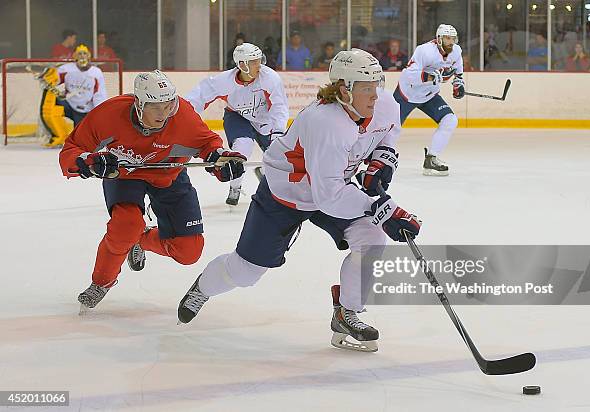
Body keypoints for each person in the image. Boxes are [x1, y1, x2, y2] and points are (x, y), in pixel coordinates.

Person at [177, 49, 421, 353]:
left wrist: (383, 158)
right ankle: (203, 287)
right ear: (344, 89)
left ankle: (347, 312)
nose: (375, 95)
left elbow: (387, 135)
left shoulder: (383, 104)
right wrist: (380, 208)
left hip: (332, 187)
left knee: (371, 238)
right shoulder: (326, 122)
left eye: (378, 85)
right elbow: (329, 197)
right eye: (366, 88)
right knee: (245, 272)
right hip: (285, 196)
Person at [58, 70, 246, 311]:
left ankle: (141, 240)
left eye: (169, 105)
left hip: (169, 175)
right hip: (125, 176)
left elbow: (208, 145)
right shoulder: (109, 113)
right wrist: (88, 161)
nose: (164, 114)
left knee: (189, 251)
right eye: (156, 107)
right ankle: (102, 282)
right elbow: (71, 150)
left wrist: (220, 161)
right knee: (125, 227)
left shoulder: (182, 115)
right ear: (138, 104)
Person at [186, 43, 289, 206]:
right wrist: (181, 118)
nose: (259, 65)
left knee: (279, 156)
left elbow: (279, 106)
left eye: (259, 60)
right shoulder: (224, 81)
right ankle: (235, 186)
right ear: (242, 65)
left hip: (265, 120)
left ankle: (263, 170)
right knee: (241, 150)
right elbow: (197, 98)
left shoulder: (270, 78)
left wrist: (277, 132)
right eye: (254, 62)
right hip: (237, 116)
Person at [394, 24, 464, 176]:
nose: (451, 42)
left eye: (453, 39)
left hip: (429, 95)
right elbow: (410, 74)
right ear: (439, 39)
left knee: (450, 120)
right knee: (390, 128)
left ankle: (431, 158)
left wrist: (458, 85)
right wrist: (430, 76)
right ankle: (372, 157)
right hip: (408, 93)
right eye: (447, 38)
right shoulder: (424, 50)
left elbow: (458, 72)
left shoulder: (456, 51)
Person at [38, 45, 108, 148]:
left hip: (85, 110)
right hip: (69, 105)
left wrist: (98, 113)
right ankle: (59, 136)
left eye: (84, 53)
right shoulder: (66, 69)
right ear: (74, 56)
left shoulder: (96, 73)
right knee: (50, 104)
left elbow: (99, 95)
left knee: (80, 139)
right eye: (79, 53)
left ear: (89, 56)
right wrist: (48, 76)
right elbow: (53, 80)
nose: (82, 56)